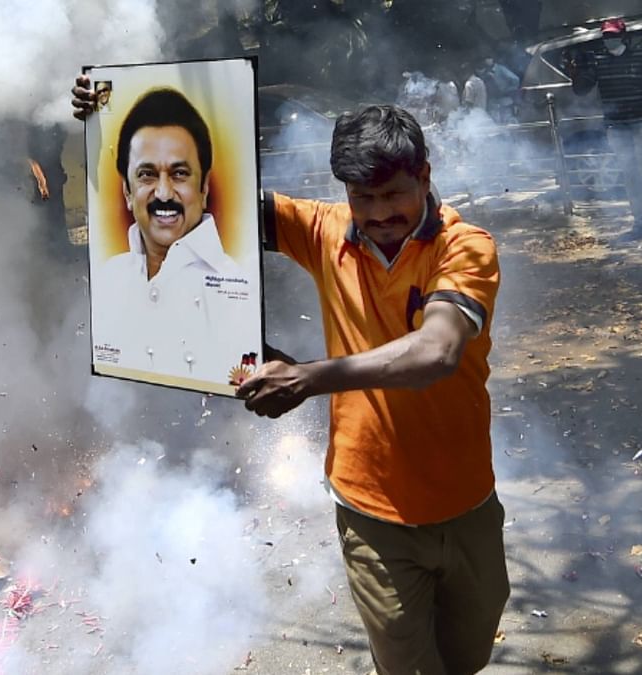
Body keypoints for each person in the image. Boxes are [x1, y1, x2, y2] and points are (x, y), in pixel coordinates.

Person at [74, 80, 507, 675]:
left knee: (467, 660)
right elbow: (197, 200)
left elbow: (436, 351)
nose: (380, 213)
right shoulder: (326, 230)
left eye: (394, 194)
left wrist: (304, 377)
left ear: (425, 176)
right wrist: (108, 116)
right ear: (345, 192)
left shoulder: (466, 248)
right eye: (363, 196)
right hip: (373, 513)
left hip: (468, 505)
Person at [90, 87, 257, 385]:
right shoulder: (109, 276)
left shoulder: (236, 286)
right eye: (147, 175)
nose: (164, 193)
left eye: (179, 173)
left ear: (204, 187)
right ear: (127, 192)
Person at [565, 17, 642, 242]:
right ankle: (641, 222)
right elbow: (582, 90)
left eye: (612, 36)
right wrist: (575, 72)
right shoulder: (599, 61)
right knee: (630, 175)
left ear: (623, 36)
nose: (609, 40)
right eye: (606, 36)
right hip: (617, 126)